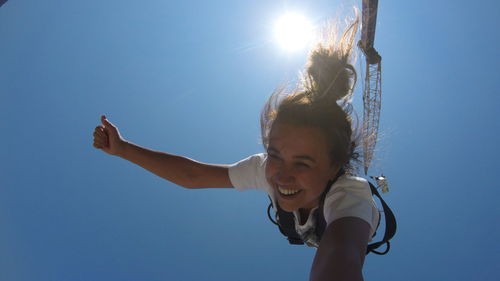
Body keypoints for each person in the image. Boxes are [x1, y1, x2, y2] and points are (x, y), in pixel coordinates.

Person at [93, 16, 379, 281]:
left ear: (334, 166)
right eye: (276, 154)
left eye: (303, 163)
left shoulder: (349, 195)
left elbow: (339, 257)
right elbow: (193, 176)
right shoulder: (265, 169)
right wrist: (123, 149)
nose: (282, 175)